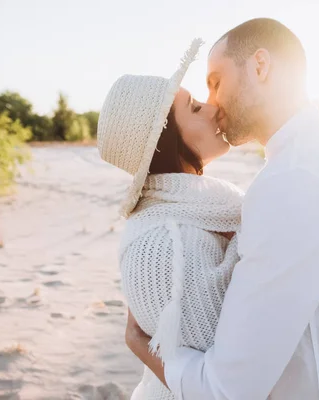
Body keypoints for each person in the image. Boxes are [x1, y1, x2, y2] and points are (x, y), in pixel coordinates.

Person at [124, 18, 319, 399]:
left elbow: (226, 390)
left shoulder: (296, 182)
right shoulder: (314, 156)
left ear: (260, 66)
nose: (213, 102)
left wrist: (143, 346)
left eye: (216, 82)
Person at [97, 39, 245, 399]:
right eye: (194, 108)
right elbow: (217, 384)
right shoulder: (166, 244)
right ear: (165, 141)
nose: (213, 108)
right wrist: (137, 343)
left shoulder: (205, 209)